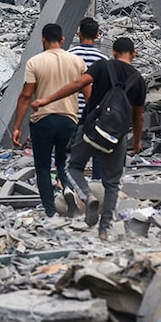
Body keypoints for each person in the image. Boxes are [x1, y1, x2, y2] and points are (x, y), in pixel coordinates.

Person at [31, 37, 145, 240]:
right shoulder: (138, 79)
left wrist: (47, 100)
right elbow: (138, 116)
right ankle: (104, 230)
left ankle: (87, 195)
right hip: (116, 137)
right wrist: (136, 142)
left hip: (90, 130)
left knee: (71, 167)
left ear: (113, 51)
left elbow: (77, 84)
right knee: (112, 184)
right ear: (133, 54)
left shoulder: (102, 66)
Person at [12, 23, 87, 217]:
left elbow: (26, 96)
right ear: (62, 40)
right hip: (69, 120)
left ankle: (51, 211)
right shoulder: (77, 61)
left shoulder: (34, 62)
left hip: (42, 121)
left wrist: (17, 126)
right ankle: (69, 190)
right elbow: (88, 95)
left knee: (43, 168)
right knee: (65, 164)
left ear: (43, 40)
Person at [68, 17, 107, 181]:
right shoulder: (103, 61)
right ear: (97, 35)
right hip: (93, 115)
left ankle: (68, 186)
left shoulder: (68, 56)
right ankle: (97, 185)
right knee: (97, 152)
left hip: (70, 113)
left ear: (78, 34)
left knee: (70, 156)